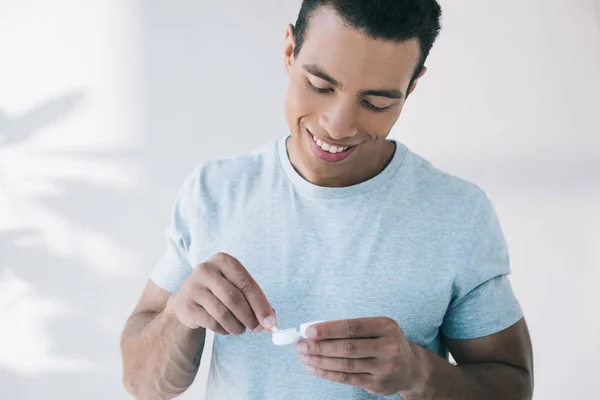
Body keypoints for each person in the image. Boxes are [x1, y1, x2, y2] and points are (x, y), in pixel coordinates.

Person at [120, 1, 534, 399]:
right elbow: (142, 384)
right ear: (289, 52)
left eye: (376, 102)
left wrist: (417, 373)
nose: (338, 125)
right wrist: (178, 314)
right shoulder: (213, 191)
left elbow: (512, 387)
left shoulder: (459, 214)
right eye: (320, 85)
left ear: (412, 86)